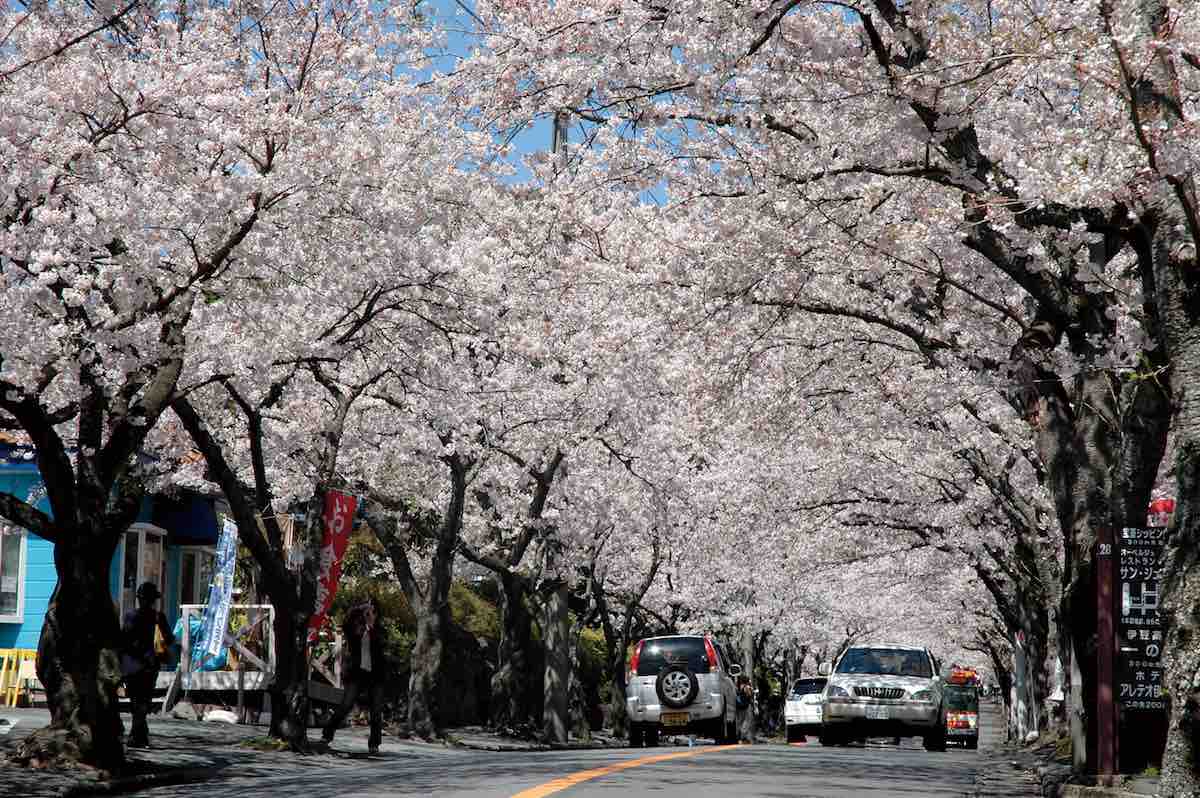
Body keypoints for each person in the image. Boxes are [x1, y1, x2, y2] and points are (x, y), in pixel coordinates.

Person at [322, 598, 386, 754]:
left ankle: (374, 744)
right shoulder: (353, 627)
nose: (372, 615)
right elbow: (348, 627)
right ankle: (327, 734)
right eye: (369, 612)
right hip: (356, 673)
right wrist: (360, 612)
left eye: (373, 612)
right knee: (346, 705)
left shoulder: (379, 629)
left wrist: (371, 626)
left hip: (375, 674)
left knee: (376, 710)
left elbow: (381, 644)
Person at [120, 581, 174, 748]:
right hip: (150, 665)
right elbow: (170, 639)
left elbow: (124, 639)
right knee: (143, 701)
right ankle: (138, 735)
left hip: (131, 665)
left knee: (136, 701)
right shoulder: (159, 617)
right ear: (153, 600)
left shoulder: (131, 616)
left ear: (139, 599)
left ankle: (138, 735)